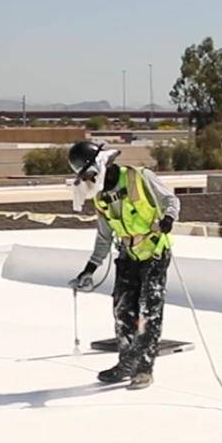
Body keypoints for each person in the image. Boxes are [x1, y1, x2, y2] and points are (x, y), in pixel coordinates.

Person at [66, 140, 180, 390]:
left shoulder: (138, 178)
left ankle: (144, 369)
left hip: (154, 252)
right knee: (122, 309)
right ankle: (126, 363)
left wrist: (169, 218)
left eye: (87, 174)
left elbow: (171, 200)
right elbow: (104, 236)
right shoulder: (101, 199)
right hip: (128, 254)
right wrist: (90, 268)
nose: (86, 180)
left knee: (148, 311)